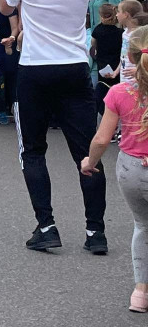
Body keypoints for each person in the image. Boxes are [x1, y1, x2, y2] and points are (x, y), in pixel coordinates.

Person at [1, 0, 107, 254]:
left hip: (35, 67)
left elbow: (4, 8)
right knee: (87, 152)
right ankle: (95, 233)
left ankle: (46, 226)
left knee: (32, 150)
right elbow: (84, 2)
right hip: (75, 65)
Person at [81, 25, 148, 312]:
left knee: (143, 225)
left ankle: (140, 292)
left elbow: (101, 139)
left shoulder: (119, 92)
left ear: (130, 58)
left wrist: (89, 162)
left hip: (131, 169)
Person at [91, 3, 124, 119]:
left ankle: (102, 115)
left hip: (102, 67)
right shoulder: (120, 32)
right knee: (114, 93)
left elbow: (93, 45)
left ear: (101, 16)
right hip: (117, 67)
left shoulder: (98, 30)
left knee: (100, 94)